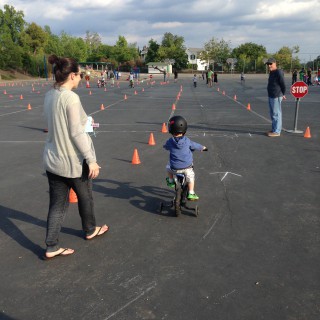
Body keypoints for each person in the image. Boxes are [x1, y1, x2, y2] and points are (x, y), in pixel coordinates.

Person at [43, 55, 109, 260]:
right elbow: (76, 132)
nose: (81, 78)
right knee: (85, 196)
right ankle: (90, 229)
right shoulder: (71, 98)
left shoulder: (50, 95)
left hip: (53, 159)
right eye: (79, 74)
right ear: (72, 75)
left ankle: (51, 246)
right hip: (72, 161)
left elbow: (67, 123)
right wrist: (91, 159)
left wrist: (87, 122)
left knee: (57, 205)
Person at [163, 115, 207, 201]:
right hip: (186, 168)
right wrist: (203, 148)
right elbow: (196, 146)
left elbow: (166, 147)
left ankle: (171, 181)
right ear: (184, 129)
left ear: (171, 129)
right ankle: (191, 193)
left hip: (174, 168)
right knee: (191, 177)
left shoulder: (170, 141)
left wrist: (168, 147)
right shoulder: (187, 141)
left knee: (168, 167)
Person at [265, 57, 286, 137]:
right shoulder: (272, 72)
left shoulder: (278, 72)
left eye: (270, 64)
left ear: (275, 63)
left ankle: (277, 131)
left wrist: (283, 94)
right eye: (268, 64)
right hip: (271, 95)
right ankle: (274, 129)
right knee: (272, 114)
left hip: (276, 95)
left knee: (276, 114)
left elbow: (283, 84)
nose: (269, 66)